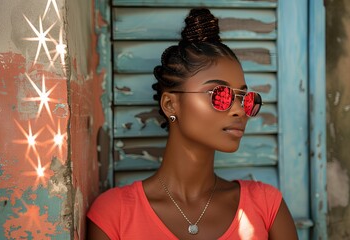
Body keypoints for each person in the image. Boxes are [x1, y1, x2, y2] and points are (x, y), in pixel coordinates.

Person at [87, 8, 298, 240]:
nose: (239, 110)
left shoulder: (267, 206)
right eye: (220, 94)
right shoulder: (114, 214)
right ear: (170, 105)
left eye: (245, 99)